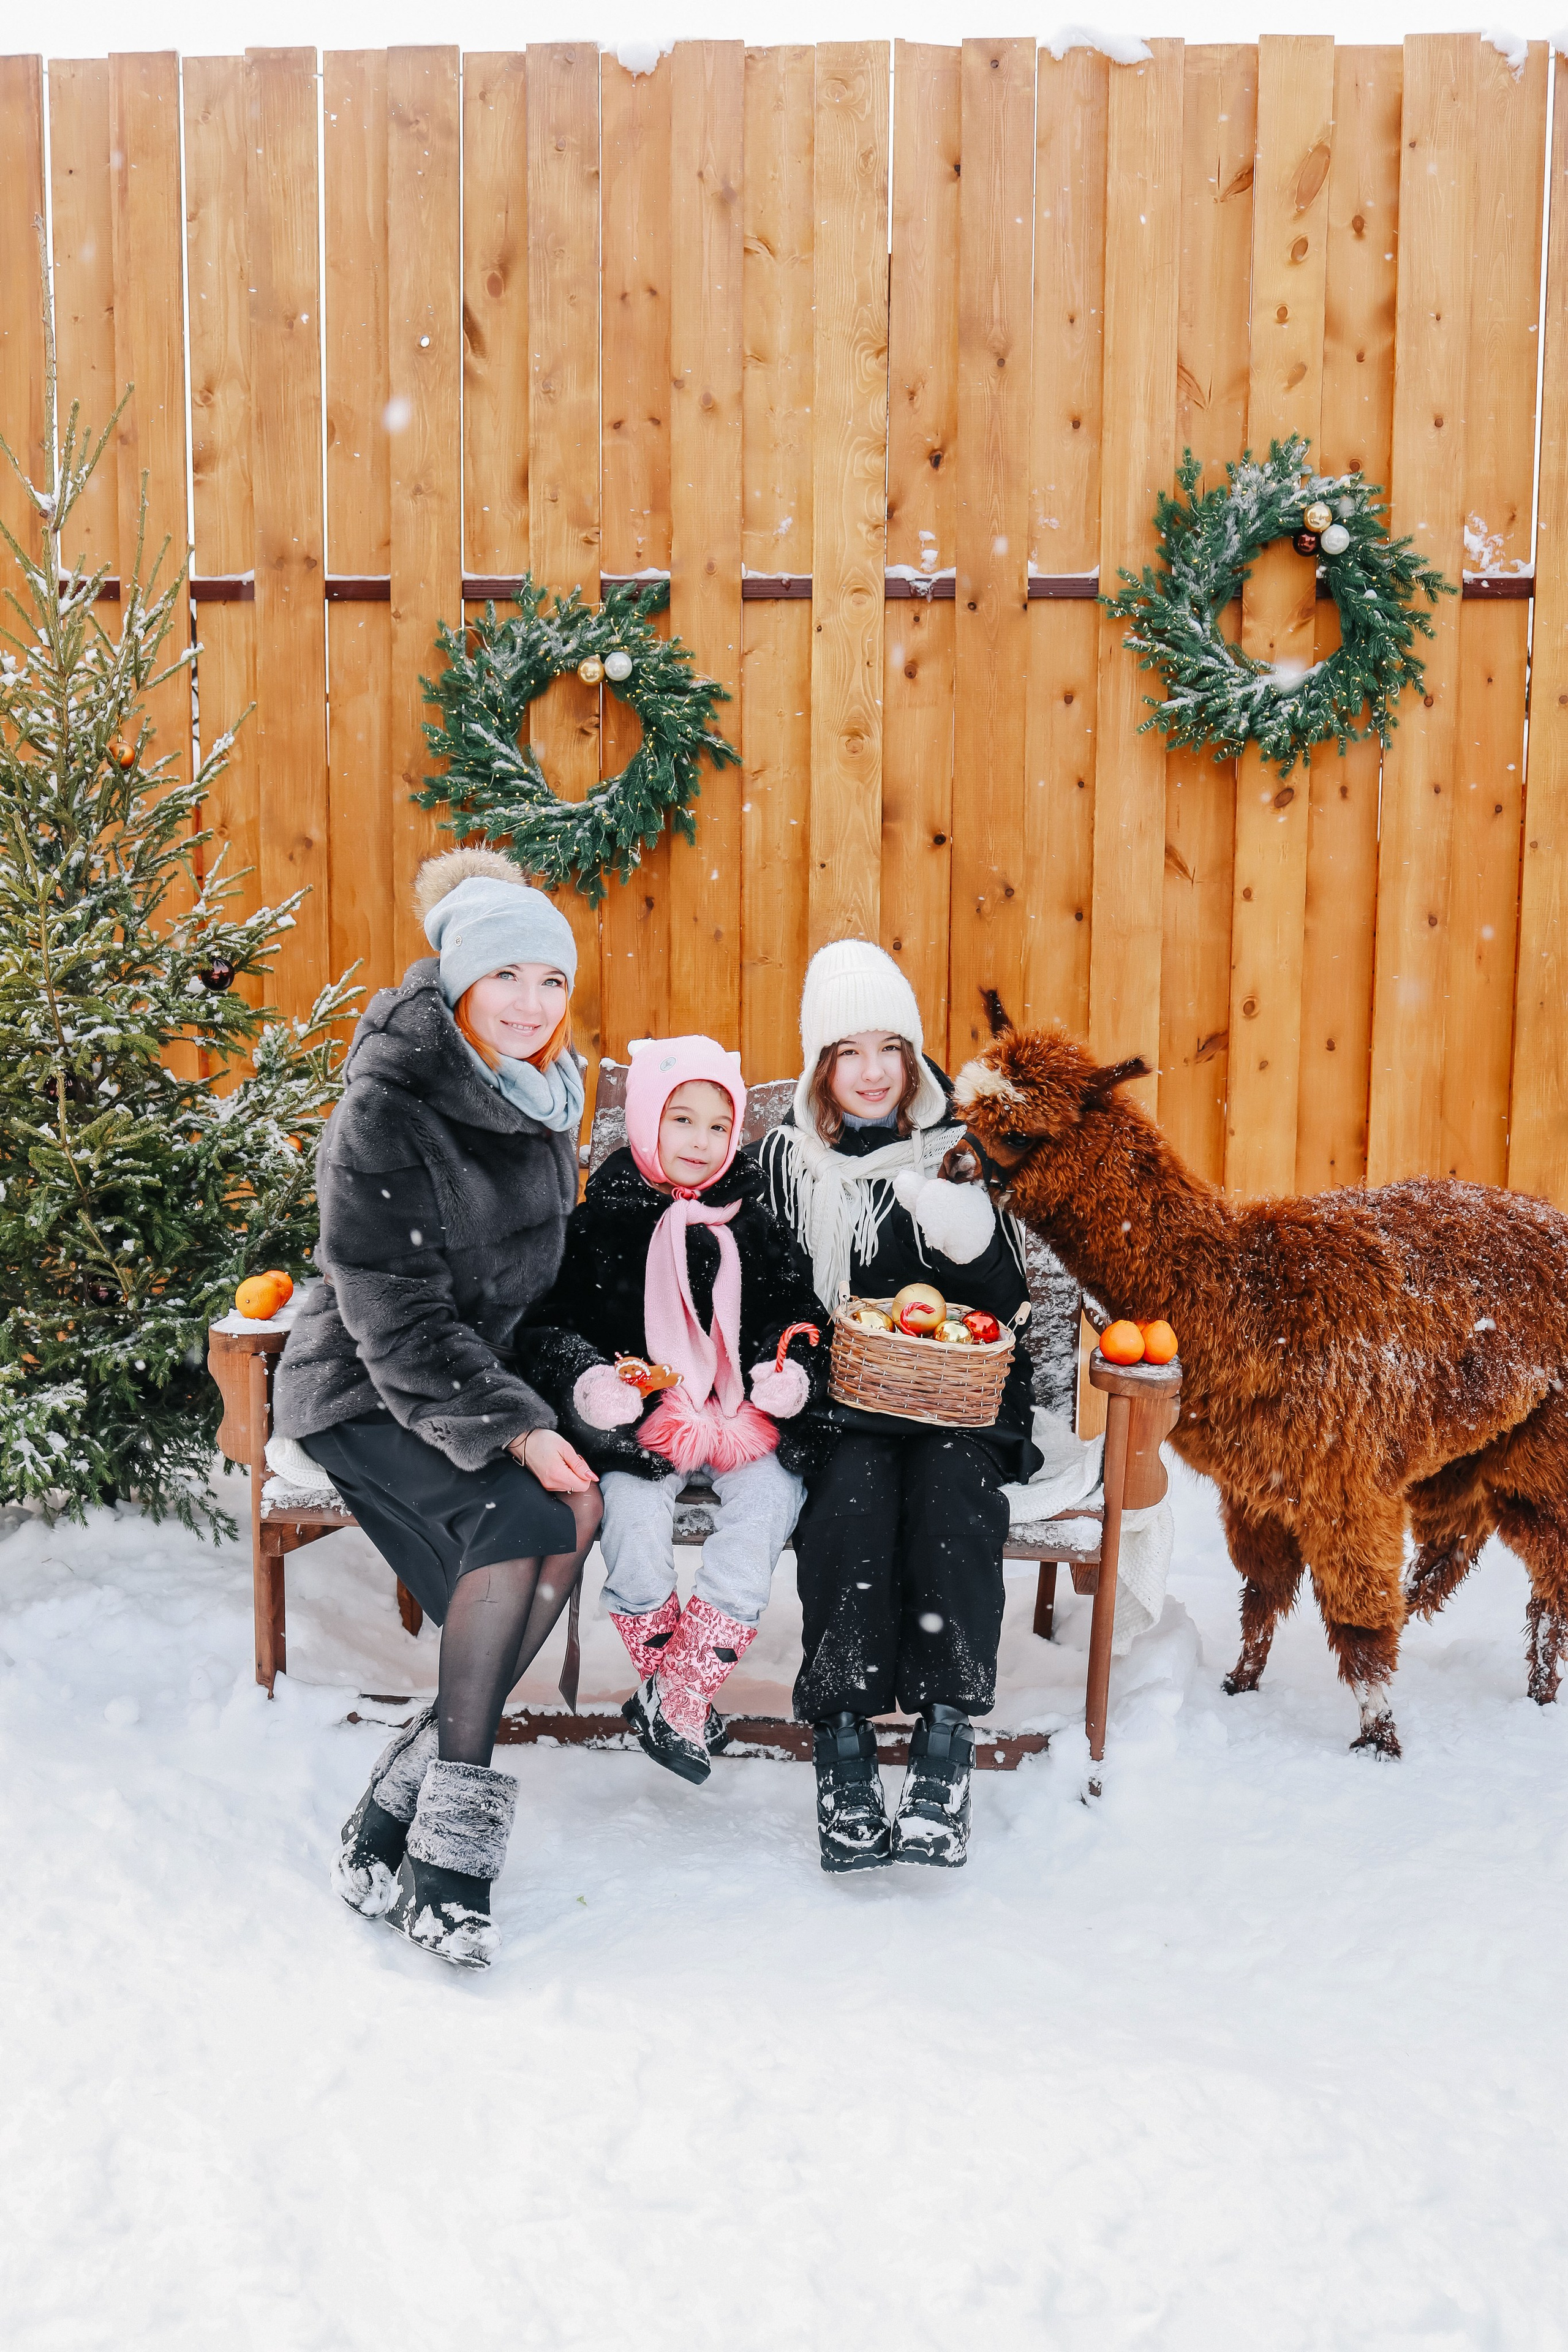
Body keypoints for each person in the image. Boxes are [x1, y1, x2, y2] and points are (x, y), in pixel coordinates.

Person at [271, 848, 603, 1970]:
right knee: (520, 1522)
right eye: (506, 976)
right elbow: (395, 1309)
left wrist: (578, 1392)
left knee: (579, 1508)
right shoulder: (391, 1101)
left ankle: (400, 1793)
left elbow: (530, 1293)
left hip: (470, 1382)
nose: (530, 1003)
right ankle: (451, 1861)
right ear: (460, 982)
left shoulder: (544, 1093)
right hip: (364, 1384)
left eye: (550, 981)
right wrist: (518, 1428)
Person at [754, 940, 1041, 1874]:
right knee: (850, 1500)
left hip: (960, 1399)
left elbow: (1006, 1306)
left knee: (956, 1498)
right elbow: (771, 1297)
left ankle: (944, 1741)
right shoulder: (789, 1165)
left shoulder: (960, 1151)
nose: (873, 1072)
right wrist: (794, 1363)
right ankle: (842, 1742)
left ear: (914, 1057)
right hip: (846, 1401)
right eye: (848, 1052)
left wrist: (970, 1244)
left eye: (890, 1048)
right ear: (820, 1067)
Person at [525, 1035, 827, 1784]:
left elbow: (797, 1314)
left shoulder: (753, 1222)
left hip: (740, 1418)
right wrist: (588, 1380)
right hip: (638, 1424)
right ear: (645, 1121)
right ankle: (677, 1692)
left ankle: (682, 1690)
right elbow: (547, 1327)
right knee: (629, 1516)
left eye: (719, 1126)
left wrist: (789, 1369)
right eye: (681, 1119)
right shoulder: (598, 1225)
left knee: (767, 1506)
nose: (700, 1141)